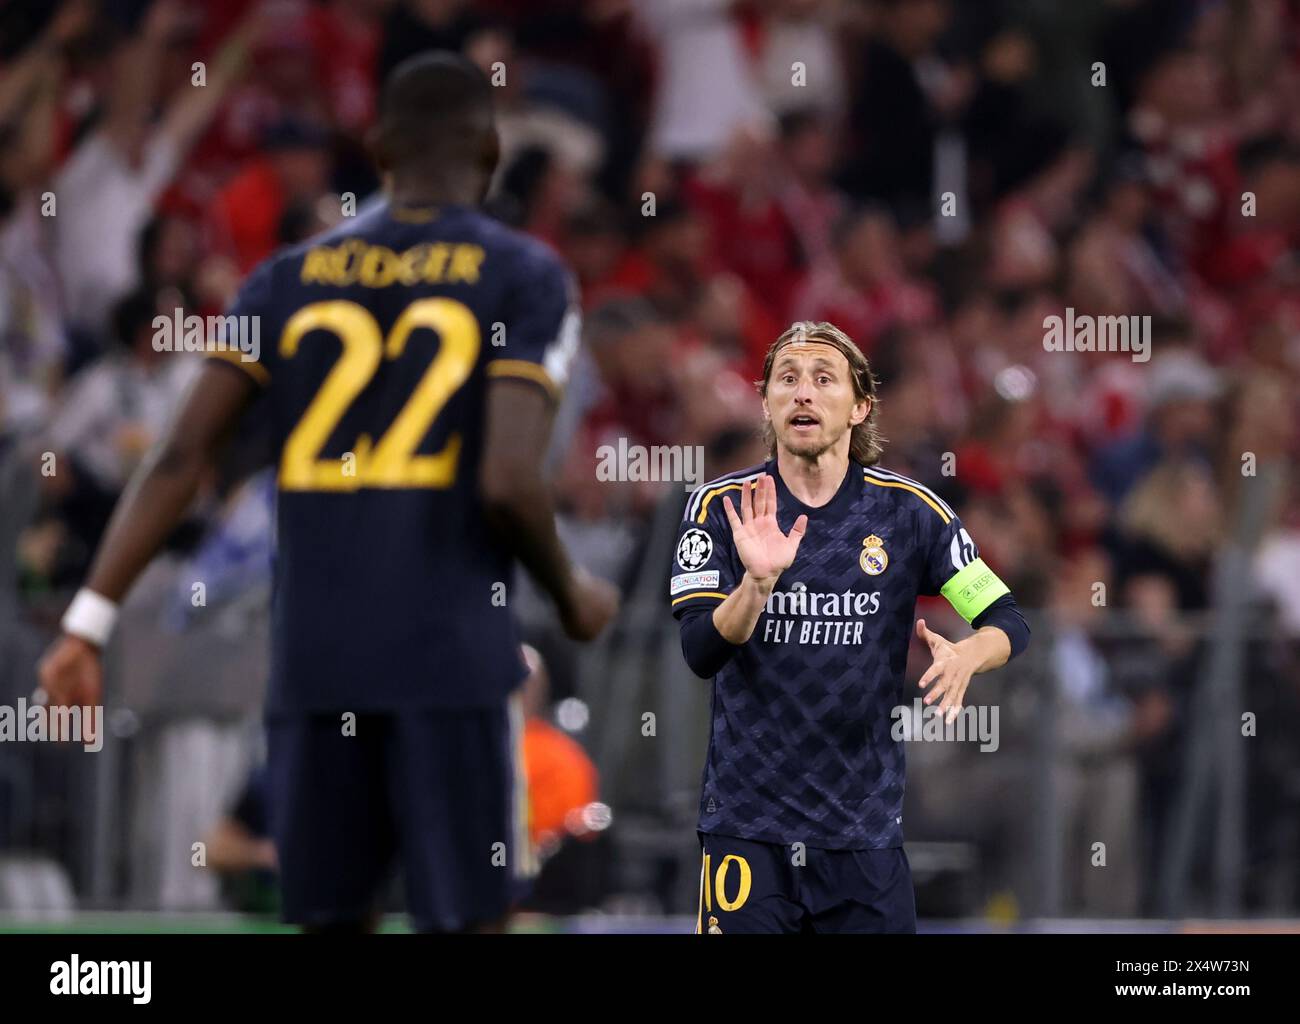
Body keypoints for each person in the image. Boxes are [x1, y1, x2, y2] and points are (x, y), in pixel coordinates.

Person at [37, 52, 619, 933]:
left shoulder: (284, 279)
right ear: (491, 153)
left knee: (326, 919)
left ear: (379, 149)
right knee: (470, 919)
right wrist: (572, 592)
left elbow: (178, 457)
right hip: (450, 661)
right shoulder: (524, 275)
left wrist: (88, 620)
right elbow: (506, 479)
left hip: (316, 663)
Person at [670, 320, 1029, 934]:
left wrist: (970, 655)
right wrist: (756, 585)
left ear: (860, 405)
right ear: (766, 402)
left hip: (862, 836)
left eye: (822, 378)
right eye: (787, 379)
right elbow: (701, 651)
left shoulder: (911, 514)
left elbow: (1006, 619)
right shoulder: (721, 508)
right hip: (748, 833)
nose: (802, 392)